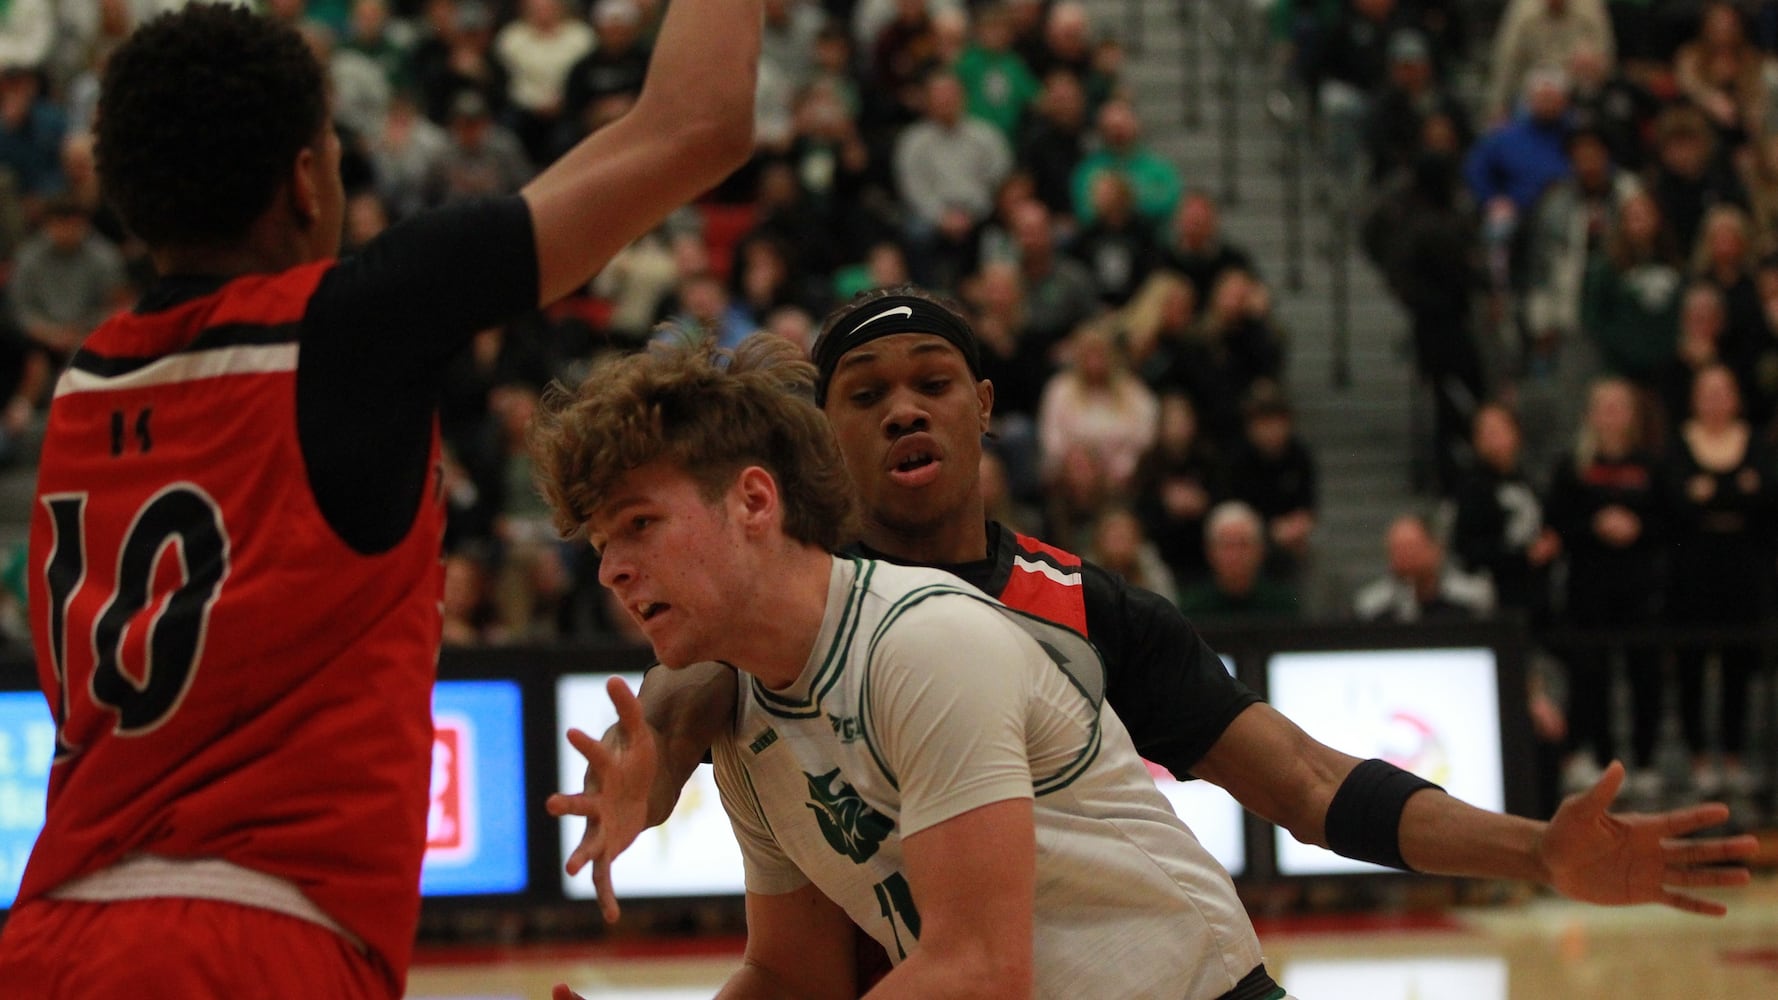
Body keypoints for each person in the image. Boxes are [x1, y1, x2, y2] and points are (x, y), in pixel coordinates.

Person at [549, 286, 1758, 963]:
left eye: (932, 382)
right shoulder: (774, 616)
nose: (904, 410)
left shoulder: (1073, 612)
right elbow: (702, 689)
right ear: (816, 441)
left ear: (983, 410)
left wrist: (1531, 849)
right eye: (865, 396)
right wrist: (659, 745)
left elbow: (1304, 778)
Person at [0, 1, 760, 996]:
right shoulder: (349, 331)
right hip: (252, 938)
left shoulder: (83, 384)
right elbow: (697, 126)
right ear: (307, 178)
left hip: (46, 933)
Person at [535, 333, 1290, 999]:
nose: (614, 572)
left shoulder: (921, 641)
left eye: (640, 525)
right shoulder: (749, 712)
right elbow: (792, 979)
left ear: (755, 501)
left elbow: (979, 976)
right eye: (602, 545)